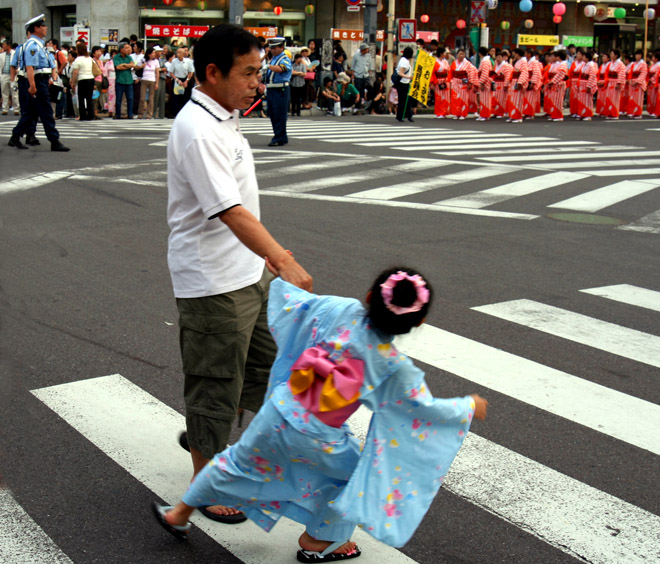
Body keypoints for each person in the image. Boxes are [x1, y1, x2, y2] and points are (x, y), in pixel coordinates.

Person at [152, 267, 488, 562]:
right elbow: (422, 409)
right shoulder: (391, 366)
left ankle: (179, 514)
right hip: (319, 437)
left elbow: (297, 305)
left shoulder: (341, 310)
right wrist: (468, 405)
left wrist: (279, 273)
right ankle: (319, 541)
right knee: (352, 481)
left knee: (235, 461)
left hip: (279, 411)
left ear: (370, 296)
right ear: (419, 321)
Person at [165, 23, 312, 527]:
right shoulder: (198, 129)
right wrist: (282, 258)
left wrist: (265, 262)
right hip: (213, 282)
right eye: (248, 73)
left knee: (268, 370)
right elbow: (229, 210)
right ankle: (204, 482)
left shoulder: (221, 118)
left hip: (247, 273)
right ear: (212, 72)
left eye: (259, 72)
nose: (257, 82)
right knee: (214, 383)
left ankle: (209, 435)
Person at [8, 14, 69, 151]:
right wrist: (33, 86)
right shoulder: (33, 46)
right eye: (43, 26)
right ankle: (54, 141)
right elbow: (30, 67)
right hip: (35, 81)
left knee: (31, 112)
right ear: (36, 28)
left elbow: (44, 67)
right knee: (46, 111)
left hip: (40, 80)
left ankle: (15, 136)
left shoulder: (40, 45)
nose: (46, 28)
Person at [263, 37, 291, 146]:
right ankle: (282, 136)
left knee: (279, 114)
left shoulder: (284, 58)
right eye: (271, 48)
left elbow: (282, 69)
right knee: (273, 113)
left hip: (281, 89)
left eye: (274, 48)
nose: (272, 50)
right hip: (272, 89)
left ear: (281, 47)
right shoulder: (274, 58)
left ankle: (278, 137)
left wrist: (268, 66)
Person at [71, 42, 95, 121]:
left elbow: (75, 72)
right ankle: (91, 115)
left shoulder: (78, 59)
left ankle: (83, 116)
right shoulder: (90, 58)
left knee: (81, 98)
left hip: (82, 79)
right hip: (91, 79)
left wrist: (73, 82)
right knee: (89, 98)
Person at [447, 48, 474, 120]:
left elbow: (471, 74)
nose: (461, 55)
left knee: (463, 99)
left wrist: (470, 83)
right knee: (455, 99)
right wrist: (449, 81)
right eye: (459, 54)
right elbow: (451, 73)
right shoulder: (454, 63)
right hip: (455, 82)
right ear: (457, 55)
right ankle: (456, 113)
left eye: (462, 54)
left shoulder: (468, 64)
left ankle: (463, 113)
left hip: (464, 83)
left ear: (465, 55)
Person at [113, 42, 135, 119]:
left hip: (129, 81)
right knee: (118, 99)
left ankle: (130, 114)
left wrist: (124, 65)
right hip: (120, 80)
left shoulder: (129, 57)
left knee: (130, 98)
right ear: (121, 49)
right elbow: (118, 67)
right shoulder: (116, 57)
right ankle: (118, 114)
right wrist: (127, 66)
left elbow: (133, 65)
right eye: (126, 48)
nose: (128, 49)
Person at [506, 48, 529, 123]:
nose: (513, 55)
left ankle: (518, 117)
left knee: (518, 100)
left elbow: (524, 73)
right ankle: (513, 115)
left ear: (517, 54)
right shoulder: (518, 61)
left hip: (518, 81)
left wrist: (520, 83)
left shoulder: (523, 62)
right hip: (514, 81)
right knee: (513, 100)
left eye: (514, 53)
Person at [170, 47, 194, 117]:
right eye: (177, 52)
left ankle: (185, 114)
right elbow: (171, 72)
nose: (178, 54)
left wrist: (187, 81)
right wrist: (177, 80)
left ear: (183, 54)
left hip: (185, 79)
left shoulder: (188, 61)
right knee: (176, 98)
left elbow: (191, 72)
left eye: (180, 53)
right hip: (177, 79)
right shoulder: (174, 61)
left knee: (185, 97)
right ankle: (176, 113)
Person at [544, 51, 567, 122]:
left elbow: (561, 74)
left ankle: (558, 116)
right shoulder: (557, 64)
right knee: (553, 100)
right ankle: (554, 115)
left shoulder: (563, 65)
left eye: (556, 56)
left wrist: (552, 81)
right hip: (554, 83)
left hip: (559, 84)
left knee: (558, 100)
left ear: (559, 57)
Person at [138, 46, 159, 119]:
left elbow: (157, 72)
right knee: (142, 98)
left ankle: (149, 114)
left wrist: (157, 83)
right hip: (144, 79)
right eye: (153, 53)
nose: (154, 54)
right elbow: (137, 68)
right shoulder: (143, 60)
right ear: (149, 54)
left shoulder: (156, 61)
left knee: (151, 98)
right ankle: (140, 113)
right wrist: (141, 66)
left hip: (152, 80)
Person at [604, 49, 625, 119]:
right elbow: (607, 73)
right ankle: (609, 113)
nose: (611, 55)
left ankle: (615, 114)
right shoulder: (610, 63)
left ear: (616, 55)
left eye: (612, 54)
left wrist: (619, 83)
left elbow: (621, 74)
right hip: (610, 81)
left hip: (615, 82)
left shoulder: (620, 64)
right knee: (609, 98)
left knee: (615, 99)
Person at [626, 50, 647, 119]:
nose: (637, 56)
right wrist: (629, 80)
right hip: (632, 82)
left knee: (638, 99)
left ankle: (638, 113)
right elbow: (630, 72)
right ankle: (632, 112)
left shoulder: (643, 64)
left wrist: (637, 81)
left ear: (641, 56)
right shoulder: (633, 64)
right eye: (636, 55)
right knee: (632, 98)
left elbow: (643, 73)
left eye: (638, 55)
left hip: (638, 83)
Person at [577, 50, 598, 121]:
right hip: (582, 84)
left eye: (584, 56)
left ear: (587, 58)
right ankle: (582, 114)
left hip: (586, 84)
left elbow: (592, 76)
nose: (582, 57)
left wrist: (589, 86)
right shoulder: (585, 65)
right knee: (582, 100)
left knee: (587, 100)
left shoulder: (591, 65)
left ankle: (588, 115)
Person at [395, 46, 415, 122]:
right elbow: (400, 73)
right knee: (403, 100)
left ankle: (407, 115)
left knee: (405, 100)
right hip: (402, 83)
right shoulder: (405, 62)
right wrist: (409, 77)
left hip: (404, 83)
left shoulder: (403, 60)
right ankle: (401, 116)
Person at [0, 39, 19, 115]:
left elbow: (18, 63)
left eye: (4, 45)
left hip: (13, 75)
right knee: (4, 93)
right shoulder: (1, 55)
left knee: (15, 92)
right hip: (4, 74)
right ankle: (5, 108)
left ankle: (16, 109)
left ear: (9, 45)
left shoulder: (15, 54)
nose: (3, 46)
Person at [430, 47, 450, 118]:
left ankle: (444, 112)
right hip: (438, 81)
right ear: (441, 54)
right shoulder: (435, 62)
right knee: (438, 98)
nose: (445, 54)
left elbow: (448, 71)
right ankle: (439, 112)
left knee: (445, 98)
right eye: (444, 53)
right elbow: (432, 73)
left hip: (445, 80)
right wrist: (432, 83)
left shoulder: (445, 62)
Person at [350, 42, 371, 109]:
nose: (367, 50)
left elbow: (369, 65)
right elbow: (353, 66)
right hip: (358, 75)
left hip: (365, 75)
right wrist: (353, 75)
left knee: (367, 89)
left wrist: (369, 72)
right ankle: (358, 104)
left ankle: (365, 102)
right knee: (358, 89)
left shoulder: (368, 56)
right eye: (366, 49)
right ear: (363, 49)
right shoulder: (356, 56)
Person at [492, 50, 512, 118]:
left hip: (502, 83)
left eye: (500, 57)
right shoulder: (496, 65)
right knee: (495, 98)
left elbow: (508, 76)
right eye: (497, 57)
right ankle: (495, 112)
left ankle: (501, 113)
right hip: (496, 83)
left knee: (501, 99)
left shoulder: (506, 66)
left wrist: (506, 85)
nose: (498, 59)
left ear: (502, 58)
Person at [523, 48, 542, 119]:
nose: (525, 55)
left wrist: (533, 82)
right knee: (526, 98)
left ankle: (530, 113)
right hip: (527, 81)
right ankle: (526, 112)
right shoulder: (527, 62)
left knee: (530, 99)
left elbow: (536, 73)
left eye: (526, 53)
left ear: (529, 54)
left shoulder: (535, 62)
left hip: (531, 81)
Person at [476, 46, 493, 121]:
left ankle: (485, 115)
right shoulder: (486, 61)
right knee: (483, 99)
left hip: (485, 83)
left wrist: (482, 83)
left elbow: (485, 73)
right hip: (485, 81)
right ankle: (483, 114)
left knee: (485, 99)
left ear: (480, 53)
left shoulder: (485, 61)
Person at [290, 52, 307, 117]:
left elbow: (304, 74)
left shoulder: (303, 65)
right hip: (294, 83)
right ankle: (293, 111)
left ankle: (298, 112)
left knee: (299, 99)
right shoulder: (293, 65)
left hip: (301, 84)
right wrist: (300, 73)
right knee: (293, 98)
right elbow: (292, 73)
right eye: (299, 58)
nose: (300, 59)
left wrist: (296, 73)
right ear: (296, 59)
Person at [646, 51, 660, 118]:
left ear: (656, 58)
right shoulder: (653, 65)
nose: (652, 58)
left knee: (654, 97)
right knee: (650, 97)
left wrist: (651, 80)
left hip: (654, 83)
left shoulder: (659, 65)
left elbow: (656, 75)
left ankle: (655, 111)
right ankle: (651, 110)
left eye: (653, 57)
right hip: (650, 83)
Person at [596, 52, 610, 117]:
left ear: (608, 58)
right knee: (600, 98)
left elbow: (608, 75)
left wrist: (604, 82)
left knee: (605, 98)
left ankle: (605, 111)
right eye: (603, 57)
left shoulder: (609, 65)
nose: (603, 58)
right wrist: (597, 81)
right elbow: (598, 74)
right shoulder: (601, 66)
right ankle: (601, 111)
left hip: (605, 82)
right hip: (600, 82)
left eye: (605, 57)